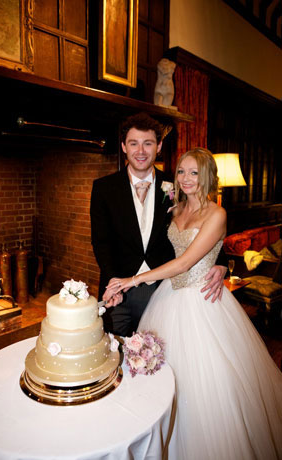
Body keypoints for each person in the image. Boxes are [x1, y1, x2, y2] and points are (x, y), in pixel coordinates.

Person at [104, 148, 282, 459]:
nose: (186, 179)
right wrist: (120, 282)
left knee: (206, 384)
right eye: (182, 172)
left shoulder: (217, 214)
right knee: (158, 373)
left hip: (202, 301)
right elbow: (158, 254)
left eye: (194, 173)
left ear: (208, 177)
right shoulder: (173, 210)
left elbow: (186, 262)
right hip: (169, 296)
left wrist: (131, 281)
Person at [90, 112, 226, 336]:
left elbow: (200, 221)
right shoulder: (104, 189)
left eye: (148, 143)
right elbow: (101, 242)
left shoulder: (178, 184)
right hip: (119, 291)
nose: (141, 151)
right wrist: (115, 283)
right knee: (116, 351)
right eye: (134, 143)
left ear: (159, 146)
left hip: (163, 290)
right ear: (124, 146)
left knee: (158, 356)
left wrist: (221, 263)